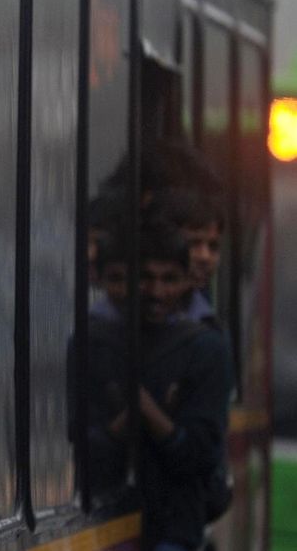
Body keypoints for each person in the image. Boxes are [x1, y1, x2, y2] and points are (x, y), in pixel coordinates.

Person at [129, 227, 232, 550]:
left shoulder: (207, 348)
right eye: (146, 278)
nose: (156, 292)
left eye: (169, 279)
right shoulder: (109, 339)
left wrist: (145, 408)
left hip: (174, 530)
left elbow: (199, 454)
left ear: (188, 282)